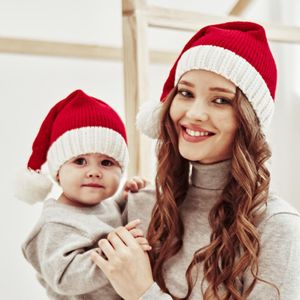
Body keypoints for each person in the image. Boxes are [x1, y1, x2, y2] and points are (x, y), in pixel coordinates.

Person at [91, 21, 300, 299]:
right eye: (186, 93)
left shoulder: (275, 227)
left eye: (221, 100)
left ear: (249, 121)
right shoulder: (142, 205)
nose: (195, 113)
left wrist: (143, 293)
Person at [15, 89, 150, 299]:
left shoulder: (103, 204)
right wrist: (116, 252)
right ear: (58, 171)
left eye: (106, 163)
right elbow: (64, 277)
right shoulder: (54, 224)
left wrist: (124, 198)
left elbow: (107, 216)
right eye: (80, 161)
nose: (94, 172)